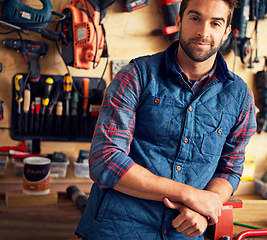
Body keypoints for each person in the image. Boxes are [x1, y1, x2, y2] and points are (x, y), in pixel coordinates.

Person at [75, 0, 256, 239]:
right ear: (179, 21)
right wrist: (189, 195)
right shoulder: (135, 76)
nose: (203, 31)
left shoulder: (241, 97)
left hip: (185, 232)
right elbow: (105, 160)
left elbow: (230, 169)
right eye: (195, 18)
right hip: (117, 228)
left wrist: (205, 209)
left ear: (226, 31)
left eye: (215, 23)